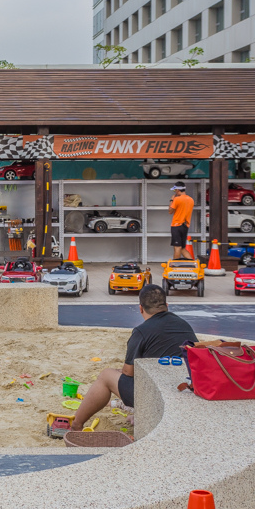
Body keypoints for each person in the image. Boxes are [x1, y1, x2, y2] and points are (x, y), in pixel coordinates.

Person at [71, 285, 197, 430]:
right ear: (167, 306)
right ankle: (140, 415)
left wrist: (119, 371)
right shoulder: (185, 325)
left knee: (106, 376)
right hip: (185, 392)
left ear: (141, 309)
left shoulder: (141, 331)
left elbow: (128, 372)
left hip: (156, 397)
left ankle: (76, 424)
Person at [168, 181, 195, 260]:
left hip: (176, 225)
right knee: (182, 248)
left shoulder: (177, 199)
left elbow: (170, 211)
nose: (175, 192)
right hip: (185, 226)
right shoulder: (191, 200)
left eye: (174, 190)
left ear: (178, 190)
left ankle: (176, 266)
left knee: (177, 247)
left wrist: (171, 200)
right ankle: (193, 264)